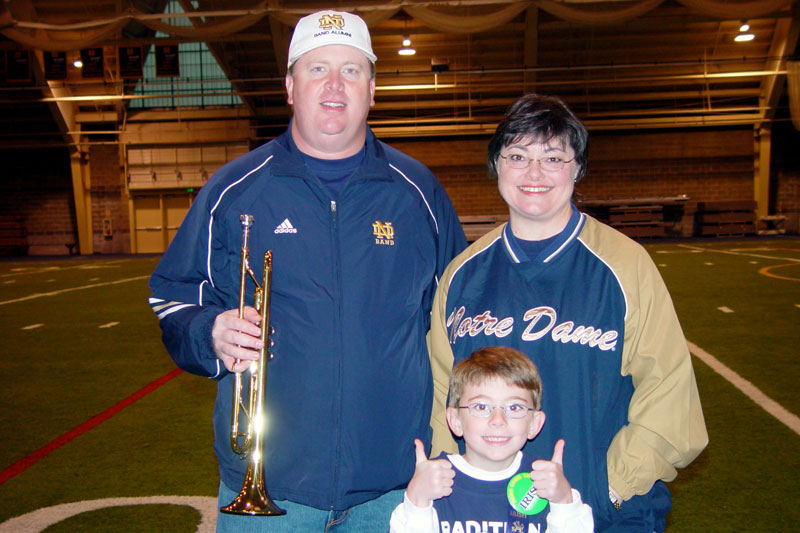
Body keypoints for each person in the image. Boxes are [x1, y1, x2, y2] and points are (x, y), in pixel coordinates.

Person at [148, 10, 466, 532]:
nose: (335, 85)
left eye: (352, 70)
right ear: (291, 86)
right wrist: (209, 331)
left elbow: (461, 319)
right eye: (317, 69)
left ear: (372, 88)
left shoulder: (419, 194)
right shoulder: (233, 190)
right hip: (270, 488)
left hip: (397, 487)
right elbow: (173, 294)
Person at [427, 94, 708, 532]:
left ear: (578, 168)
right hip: (490, 516)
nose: (534, 173)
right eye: (517, 155)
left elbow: (669, 396)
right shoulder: (463, 274)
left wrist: (606, 487)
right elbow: (442, 397)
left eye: (553, 157)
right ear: (496, 166)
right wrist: (455, 488)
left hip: (605, 512)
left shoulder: (624, 265)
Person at [390, 346, 594, 533]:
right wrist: (417, 501)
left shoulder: (546, 483)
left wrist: (564, 502)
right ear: (455, 420)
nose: (498, 420)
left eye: (514, 407)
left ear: (534, 424)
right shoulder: (432, 480)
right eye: (481, 407)